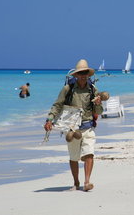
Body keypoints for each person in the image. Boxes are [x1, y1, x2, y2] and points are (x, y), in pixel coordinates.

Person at [44, 59, 103, 191]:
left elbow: (99, 111)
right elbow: (57, 105)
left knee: (89, 153)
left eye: (85, 72)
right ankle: (76, 183)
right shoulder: (68, 89)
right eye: (80, 73)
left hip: (88, 127)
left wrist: (98, 104)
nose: (83, 75)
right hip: (72, 128)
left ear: (89, 74)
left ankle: (87, 182)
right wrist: (49, 119)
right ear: (75, 75)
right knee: (74, 157)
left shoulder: (93, 89)